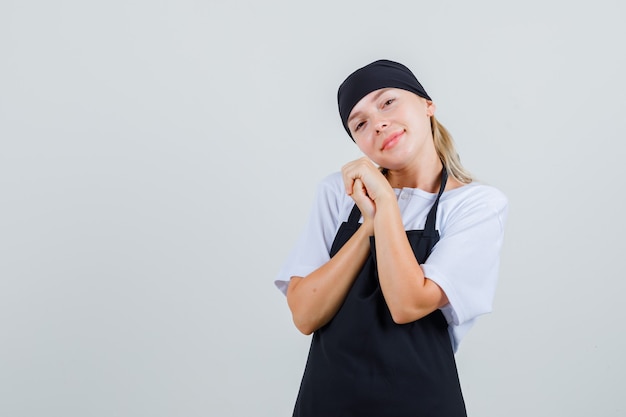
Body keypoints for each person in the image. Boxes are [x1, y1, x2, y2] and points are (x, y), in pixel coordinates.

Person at [274, 59, 508, 417]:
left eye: (387, 102)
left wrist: (385, 203)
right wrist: (368, 224)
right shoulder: (339, 194)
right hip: (326, 404)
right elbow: (305, 314)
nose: (379, 123)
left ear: (427, 105)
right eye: (360, 123)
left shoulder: (475, 205)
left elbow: (408, 304)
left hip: (422, 405)